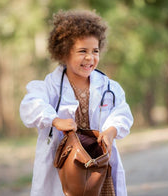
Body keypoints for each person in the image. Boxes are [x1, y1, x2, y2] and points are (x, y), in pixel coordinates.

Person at [20, 10, 133, 196]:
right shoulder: (50, 86)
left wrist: (111, 131)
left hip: (98, 165)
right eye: (82, 51)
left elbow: (122, 112)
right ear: (64, 53)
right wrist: (56, 120)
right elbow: (30, 105)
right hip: (66, 167)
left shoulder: (109, 87)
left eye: (94, 51)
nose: (90, 58)